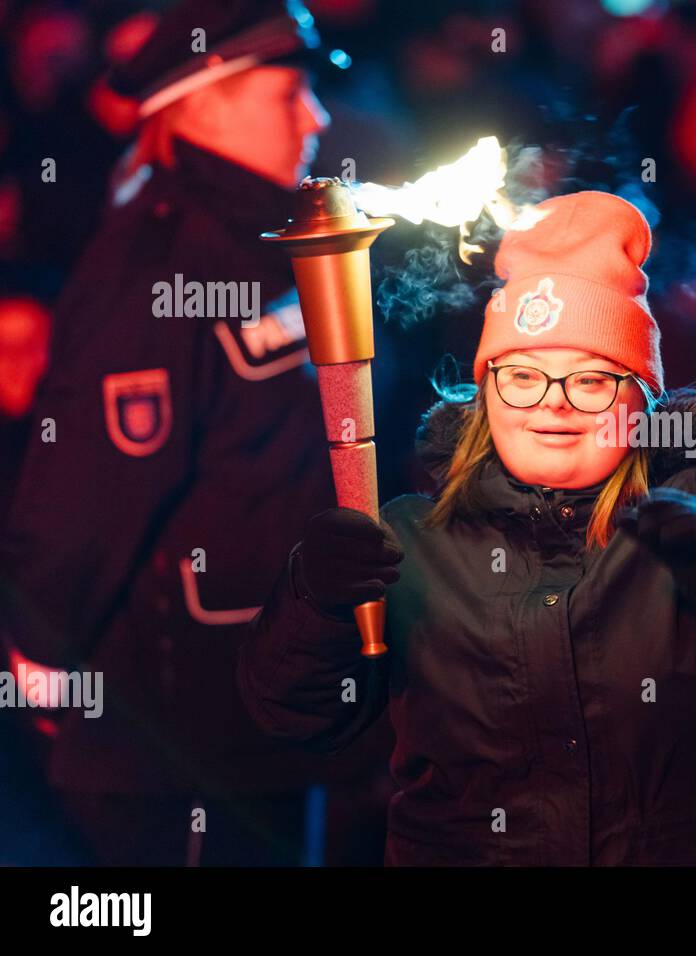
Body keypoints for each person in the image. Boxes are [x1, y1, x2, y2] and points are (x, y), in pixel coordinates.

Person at [236, 190, 696, 865]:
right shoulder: (409, 543)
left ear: (639, 398)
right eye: (523, 377)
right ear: (486, 393)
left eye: (591, 382)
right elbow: (298, 714)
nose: (553, 407)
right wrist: (315, 602)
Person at [0, 0, 388, 865]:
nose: (317, 115)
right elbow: (85, 496)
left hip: (277, 718)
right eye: (290, 93)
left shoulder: (274, 246)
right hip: (179, 750)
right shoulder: (156, 267)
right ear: (205, 99)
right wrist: (40, 656)